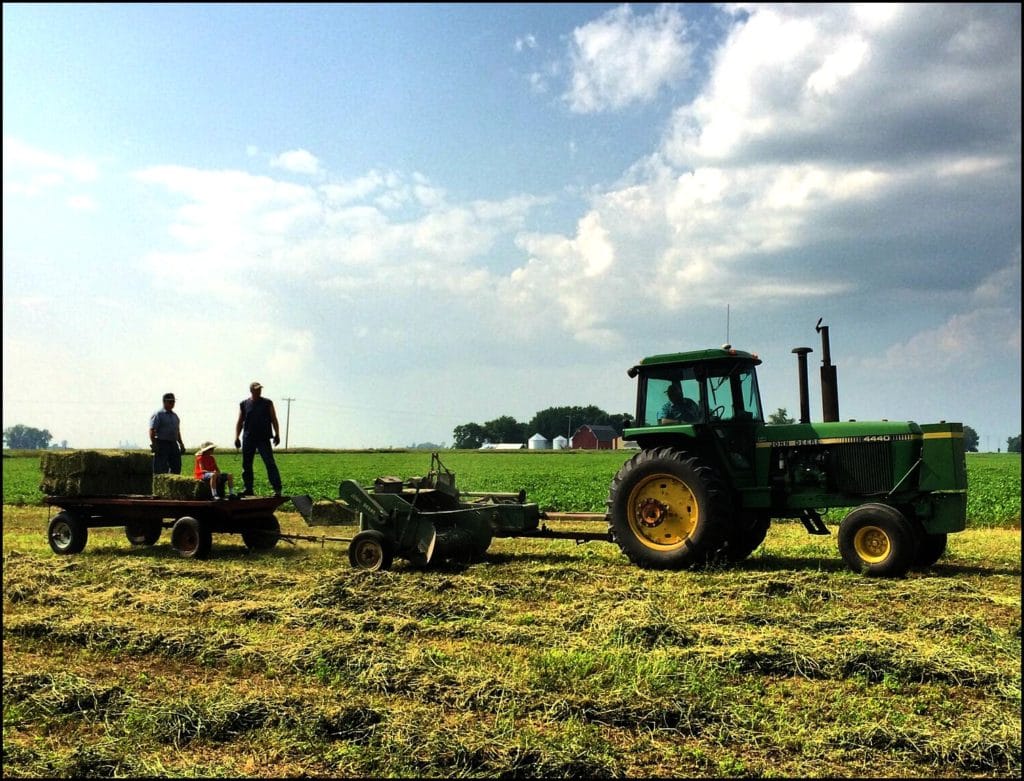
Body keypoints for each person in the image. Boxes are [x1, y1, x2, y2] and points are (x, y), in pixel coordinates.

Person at [234, 381, 283, 497]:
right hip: (248, 438)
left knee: (269, 463)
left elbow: (274, 419)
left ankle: (277, 489)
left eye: (260, 389)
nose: (259, 390)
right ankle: (248, 488)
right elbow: (240, 421)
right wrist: (236, 437)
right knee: (246, 464)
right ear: (251, 390)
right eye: (256, 389)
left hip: (263, 438)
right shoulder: (244, 404)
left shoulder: (267, 403)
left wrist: (277, 434)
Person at [149, 392, 186, 474]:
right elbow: (152, 430)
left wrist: (181, 444)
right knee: (160, 467)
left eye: (173, 401)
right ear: (164, 402)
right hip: (162, 443)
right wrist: (154, 444)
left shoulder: (175, 416)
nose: (172, 403)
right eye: (170, 401)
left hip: (173, 443)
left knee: (176, 466)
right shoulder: (158, 414)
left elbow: (177, 431)